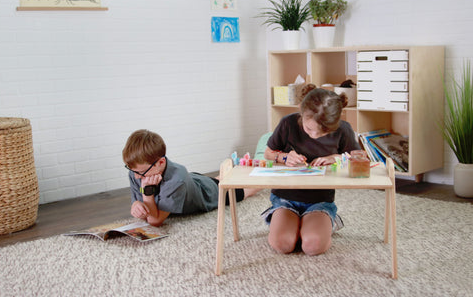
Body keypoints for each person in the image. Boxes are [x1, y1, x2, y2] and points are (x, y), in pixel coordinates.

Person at [262, 87, 360, 256]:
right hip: (286, 197)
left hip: (319, 200)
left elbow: (358, 157)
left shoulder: (343, 129)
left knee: (312, 246)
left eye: (323, 132)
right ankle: (292, 224)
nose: (314, 135)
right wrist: (284, 157)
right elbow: (268, 153)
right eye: (309, 129)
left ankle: (316, 224)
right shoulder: (288, 123)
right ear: (301, 112)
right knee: (282, 244)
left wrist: (336, 157)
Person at [122, 129, 259, 227]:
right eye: (132, 171)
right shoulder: (137, 171)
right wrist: (135, 204)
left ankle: (262, 175)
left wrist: (147, 192)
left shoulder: (176, 180)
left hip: (206, 193)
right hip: (193, 181)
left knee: (244, 191)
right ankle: (230, 171)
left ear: (161, 163)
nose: (136, 176)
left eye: (141, 172)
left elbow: (154, 221)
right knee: (218, 180)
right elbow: (140, 204)